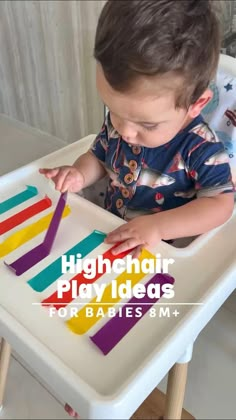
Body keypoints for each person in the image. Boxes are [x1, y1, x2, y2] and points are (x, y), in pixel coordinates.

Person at [40, 0, 234, 259]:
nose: (125, 131)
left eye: (147, 124)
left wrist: (157, 226)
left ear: (196, 105)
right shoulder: (122, 123)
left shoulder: (201, 149)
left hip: (161, 254)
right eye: (113, 110)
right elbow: (99, 157)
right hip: (110, 233)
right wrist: (79, 174)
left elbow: (220, 204)